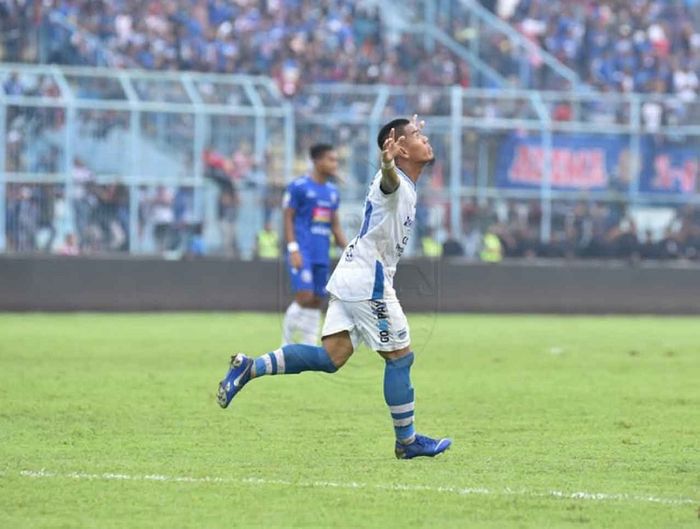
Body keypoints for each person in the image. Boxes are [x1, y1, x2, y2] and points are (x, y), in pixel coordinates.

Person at [217, 116, 452, 460]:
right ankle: (407, 441)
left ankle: (249, 367)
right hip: (367, 281)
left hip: (352, 274)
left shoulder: (407, 184)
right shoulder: (394, 181)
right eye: (417, 135)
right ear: (399, 148)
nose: (425, 139)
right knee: (401, 358)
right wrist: (386, 162)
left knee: (332, 357)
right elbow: (387, 180)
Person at [280, 144, 348, 345]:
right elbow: (287, 218)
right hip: (303, 249)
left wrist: (349, 249)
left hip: (321, 251)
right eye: (331, 159)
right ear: (317, 161)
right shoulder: (298, 187)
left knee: (318, 299)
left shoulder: (332, 192)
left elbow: (335, 225)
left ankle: (309, 343)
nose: (335, 164)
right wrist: (293, 248)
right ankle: (287, 340)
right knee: (304, 295)